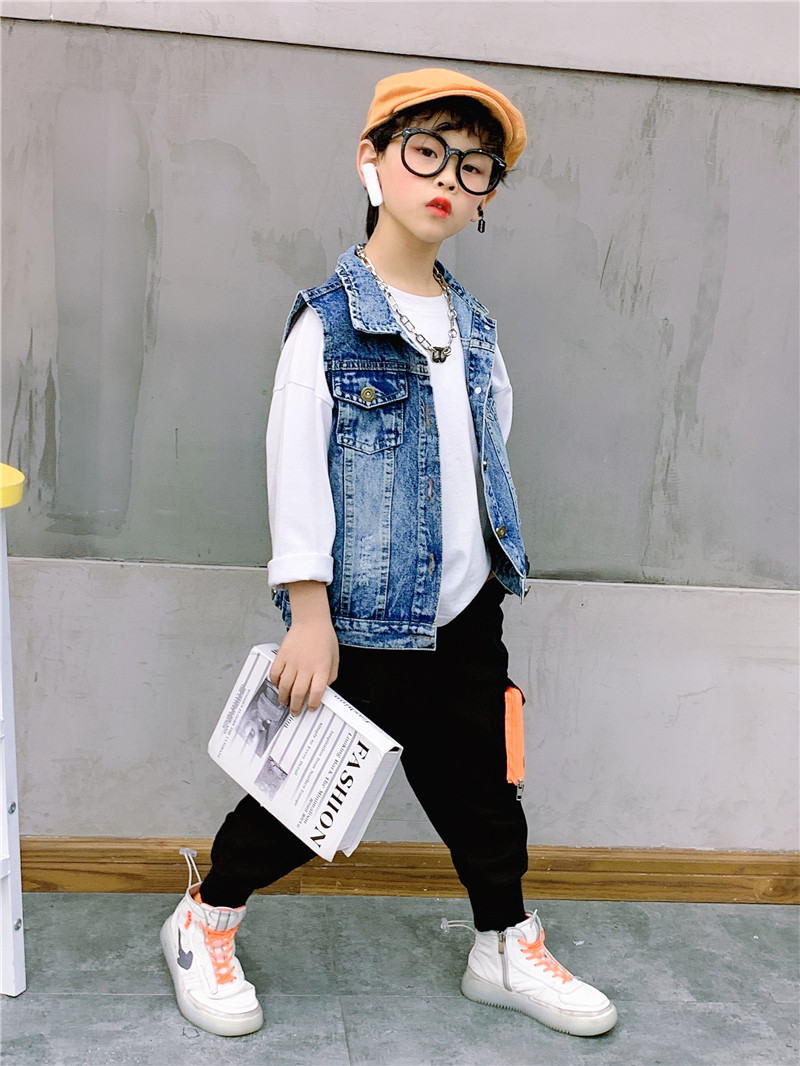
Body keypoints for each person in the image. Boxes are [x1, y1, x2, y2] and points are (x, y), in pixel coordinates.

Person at [160, 67, 617, 1040]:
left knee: (486, 795)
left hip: (465, 612)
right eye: (426, 151)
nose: (448, 177)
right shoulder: (329, 322)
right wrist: (308, 614)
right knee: (307, 794)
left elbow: (486, 453)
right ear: (371, 161)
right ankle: (205, 917)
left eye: (474, 165)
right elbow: (294, 469)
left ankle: (503, 942)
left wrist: (479, 576)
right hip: (363, 616)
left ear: (486, 197)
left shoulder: (476, 328)